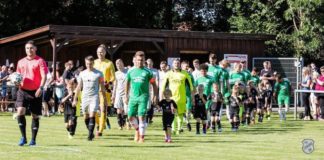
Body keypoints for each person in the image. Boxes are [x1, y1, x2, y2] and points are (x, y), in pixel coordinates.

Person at [15, 40, 48, 146]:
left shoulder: (40, 61)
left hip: (36, 92)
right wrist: (16, 82)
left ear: (35, 49)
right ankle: (23, 138)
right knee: (20, 111)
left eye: (31, 48)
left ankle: (33, 140)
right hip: (22, 90)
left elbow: (44, 76)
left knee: (34, 116)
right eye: (27, 48)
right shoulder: (20, 62)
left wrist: (41, 88)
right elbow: (17, 77)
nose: (29, 50)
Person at [125, 51, 158, 143]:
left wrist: (155, 96)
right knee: (130, 117)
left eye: (142, 60)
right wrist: (126, 96)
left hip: (143, 97)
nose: (140, 62)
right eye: (138, 60)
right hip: (132, 97)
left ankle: (141, 137)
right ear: (135, 60)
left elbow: (154, 85)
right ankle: (137, 130)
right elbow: (127, 83)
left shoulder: (148, 72)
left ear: (144, 61)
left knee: (141, 117)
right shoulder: (130, 71)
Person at [73, 55, 108, 141]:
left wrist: (105, 99)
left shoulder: (99, 74)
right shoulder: (82, 74)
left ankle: (89, 136)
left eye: (91, 64)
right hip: (84, 97)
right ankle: (91, 132)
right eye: (87, 64)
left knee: (92, 114)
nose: (89, 65)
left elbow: (102, 87)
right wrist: (75, 98)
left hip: (94, 97)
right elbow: (78, 87)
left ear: (93, 63)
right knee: (86, 117)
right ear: (85, 63)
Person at [162, 59, 194, 135]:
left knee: (180, 114)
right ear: (172, 64)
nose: (176, 64)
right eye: (175, 63)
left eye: (178, 63)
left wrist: (192, 97)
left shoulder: (185, 74)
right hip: (171, 98)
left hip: (182, 98)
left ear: (180, 64)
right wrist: (162, 97)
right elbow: (163, 86)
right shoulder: (168, 74)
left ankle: (179, 129)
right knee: (172, 114)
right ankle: (173, 129)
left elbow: (191, 86)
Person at [93, 44, 115, 136]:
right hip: (94, 89)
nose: (100, 53)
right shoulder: (94, 62)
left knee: (103, 109)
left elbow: (113, 78)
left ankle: (100, 130)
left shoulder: (109, 63)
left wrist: (108, 84)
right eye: (98, 52)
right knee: (93, 110)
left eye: (101, 52)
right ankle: (99, 124)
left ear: (105, 52)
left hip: (105, 90)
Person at [112, 59, 129, 130]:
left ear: (122, 63)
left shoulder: (128, 71)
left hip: (126, 93)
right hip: (118, 92)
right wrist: (113, 94)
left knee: (126, 110)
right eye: (117, 64)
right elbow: (115, 85)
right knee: (119, 109)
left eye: (119, 63)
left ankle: (125, 122)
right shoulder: (116, 73)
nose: (118, 65)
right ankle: (120, 124)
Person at [181, 60, 195, 132]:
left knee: (188, 110)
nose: (187, 68)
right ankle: (182, 125)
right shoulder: (179, 74)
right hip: (180, 95)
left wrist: (193, 96)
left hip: (188, 95)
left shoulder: (190, 75)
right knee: (181, 111)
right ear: (182, 66)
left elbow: (193, 85)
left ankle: (187, 122)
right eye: (185, 66)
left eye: (187, 66)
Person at [146, 58, 159, 124]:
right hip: (146, 88)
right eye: (148, 63)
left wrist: (157, 88)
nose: (149, 65)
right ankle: (147, 117)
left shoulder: (155, 71)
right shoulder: (145, 70)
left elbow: (157, 80)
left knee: (152, 103)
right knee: (147, 103)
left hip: (153, 88)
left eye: (150, 63)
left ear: (152, 63)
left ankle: (150, 118)